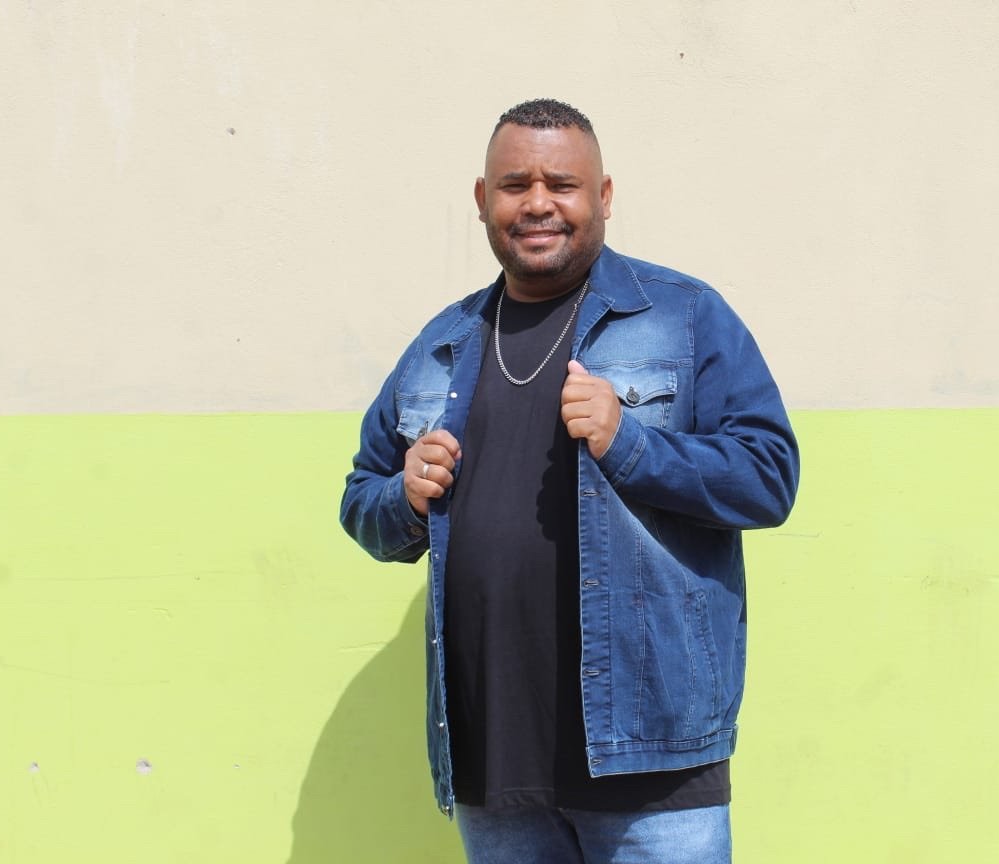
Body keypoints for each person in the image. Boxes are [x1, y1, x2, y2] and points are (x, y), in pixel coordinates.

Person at [340, 98, 799, 864]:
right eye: (515, 185)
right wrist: (404, 496)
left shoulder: (683, 317)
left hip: (650, 762)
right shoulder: (442, 344)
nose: (538, 203)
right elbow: (362, 498)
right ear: (483, 200)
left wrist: (631, 443)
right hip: (493, 764)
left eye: (562, 184)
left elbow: (768, 476)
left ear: (604, 196)